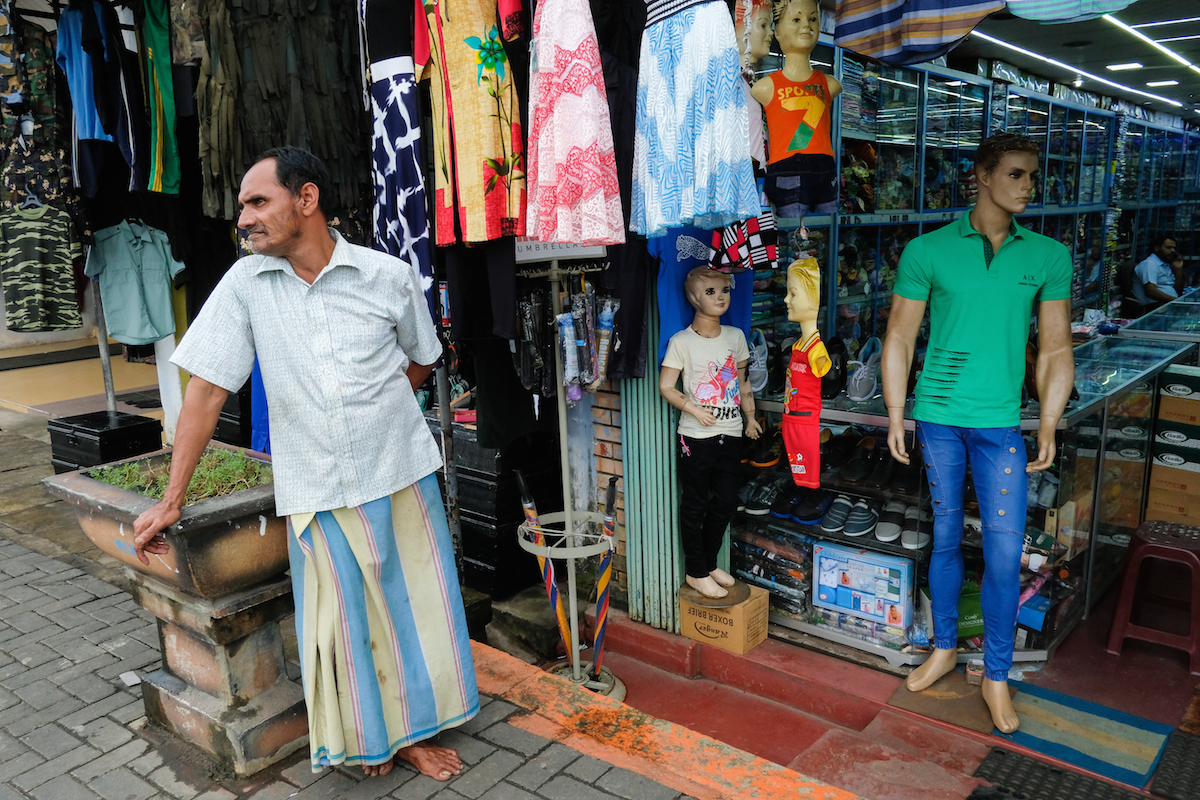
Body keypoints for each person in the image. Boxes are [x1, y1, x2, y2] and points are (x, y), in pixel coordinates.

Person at [132, 147, 477, 780]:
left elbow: (424, 357)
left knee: (410, 611)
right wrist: (172, 499)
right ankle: (374, 737)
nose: (245, 219)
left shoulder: (386, 276)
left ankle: (415, 732)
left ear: (307, 199)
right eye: (243, 206)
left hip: (398, 470)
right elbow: (206, 391)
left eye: (258, 202)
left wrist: (377, 407)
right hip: (317, 486)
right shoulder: (246, 285)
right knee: (342, 627)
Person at [880, 132, 1074, 734]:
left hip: (999, 424)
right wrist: (896, 413)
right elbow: (899, 337)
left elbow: (1056, 347)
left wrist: (1048, 420)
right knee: (943, 538)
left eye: (1032, 176)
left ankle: (995, 674)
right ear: (983, 175)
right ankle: (943, 648)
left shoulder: (1048, 256)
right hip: (938, 417)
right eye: (1016, 174)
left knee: (1003, 553)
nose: (1028, 186)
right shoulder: (928, 250)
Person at [659, 268, 762, 599]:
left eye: (724, 291)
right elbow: (666, 386)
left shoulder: (735, 336)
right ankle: (696, 571)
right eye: (710, 292)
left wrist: (750, 417)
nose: (720, 298)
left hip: (731, 433)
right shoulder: (681, 342)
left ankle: (709, 562)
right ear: (693, 298)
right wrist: (694, 409)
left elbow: (743, 382)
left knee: (726, 502)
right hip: (696, 437)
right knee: (695, 504)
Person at [751, 0, 842, 220]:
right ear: (777, 32)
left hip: (824, 167)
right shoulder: (765, 87)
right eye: (796, 19)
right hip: (787, 166)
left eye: (813, 19)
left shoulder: (830, 84)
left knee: (824, 225)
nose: (806, 25)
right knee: (788, 226)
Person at [1129, 235, 1181, 311]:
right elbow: (1150, 292)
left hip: (1166, 306)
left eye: (1174, 248)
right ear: (1157, 248)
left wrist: (1178, 269)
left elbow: (1178, 291)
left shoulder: (1165, 265)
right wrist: (1174, 301)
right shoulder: (1149, 264)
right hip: (1153, 308)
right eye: (1168, 247)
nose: (1173, 251)